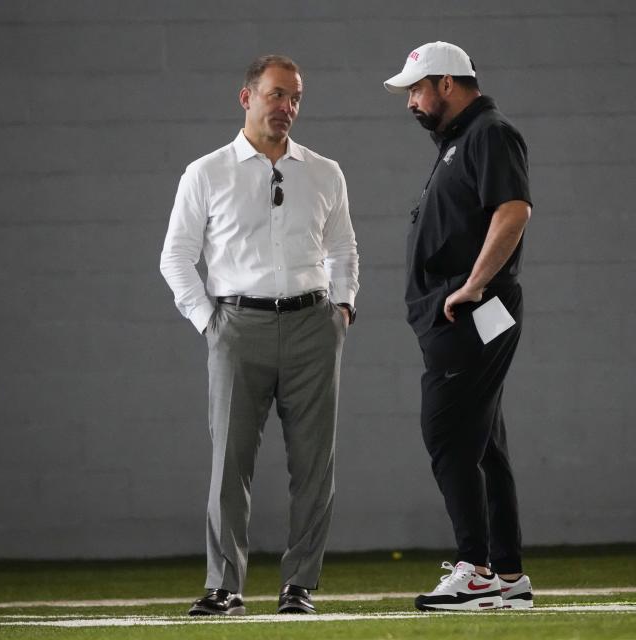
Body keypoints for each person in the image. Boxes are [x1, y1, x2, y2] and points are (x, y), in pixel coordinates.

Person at [160, 54, 359, 616]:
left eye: (295, 98)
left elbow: (343, 249)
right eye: (276, 95)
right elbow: (176, 257)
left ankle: (299, 587)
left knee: (315, 464)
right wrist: (210, 323)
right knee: (229, 462)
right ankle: (224, 586)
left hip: (313, 325)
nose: (286, 108)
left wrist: (341, 309)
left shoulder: (325, 171)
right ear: (245, 97)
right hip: (235, 326)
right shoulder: (207, 172)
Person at [383, 42, 534, 612]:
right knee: (482, 442)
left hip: (471, 311)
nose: (410, 102)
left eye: (416, 90)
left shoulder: (488, 133)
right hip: (461, 313)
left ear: (447, 83)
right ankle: (508, 573)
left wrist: (472, 285)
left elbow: (513, 209)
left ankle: (475, 570)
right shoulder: (459, 142)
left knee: (447, 434)